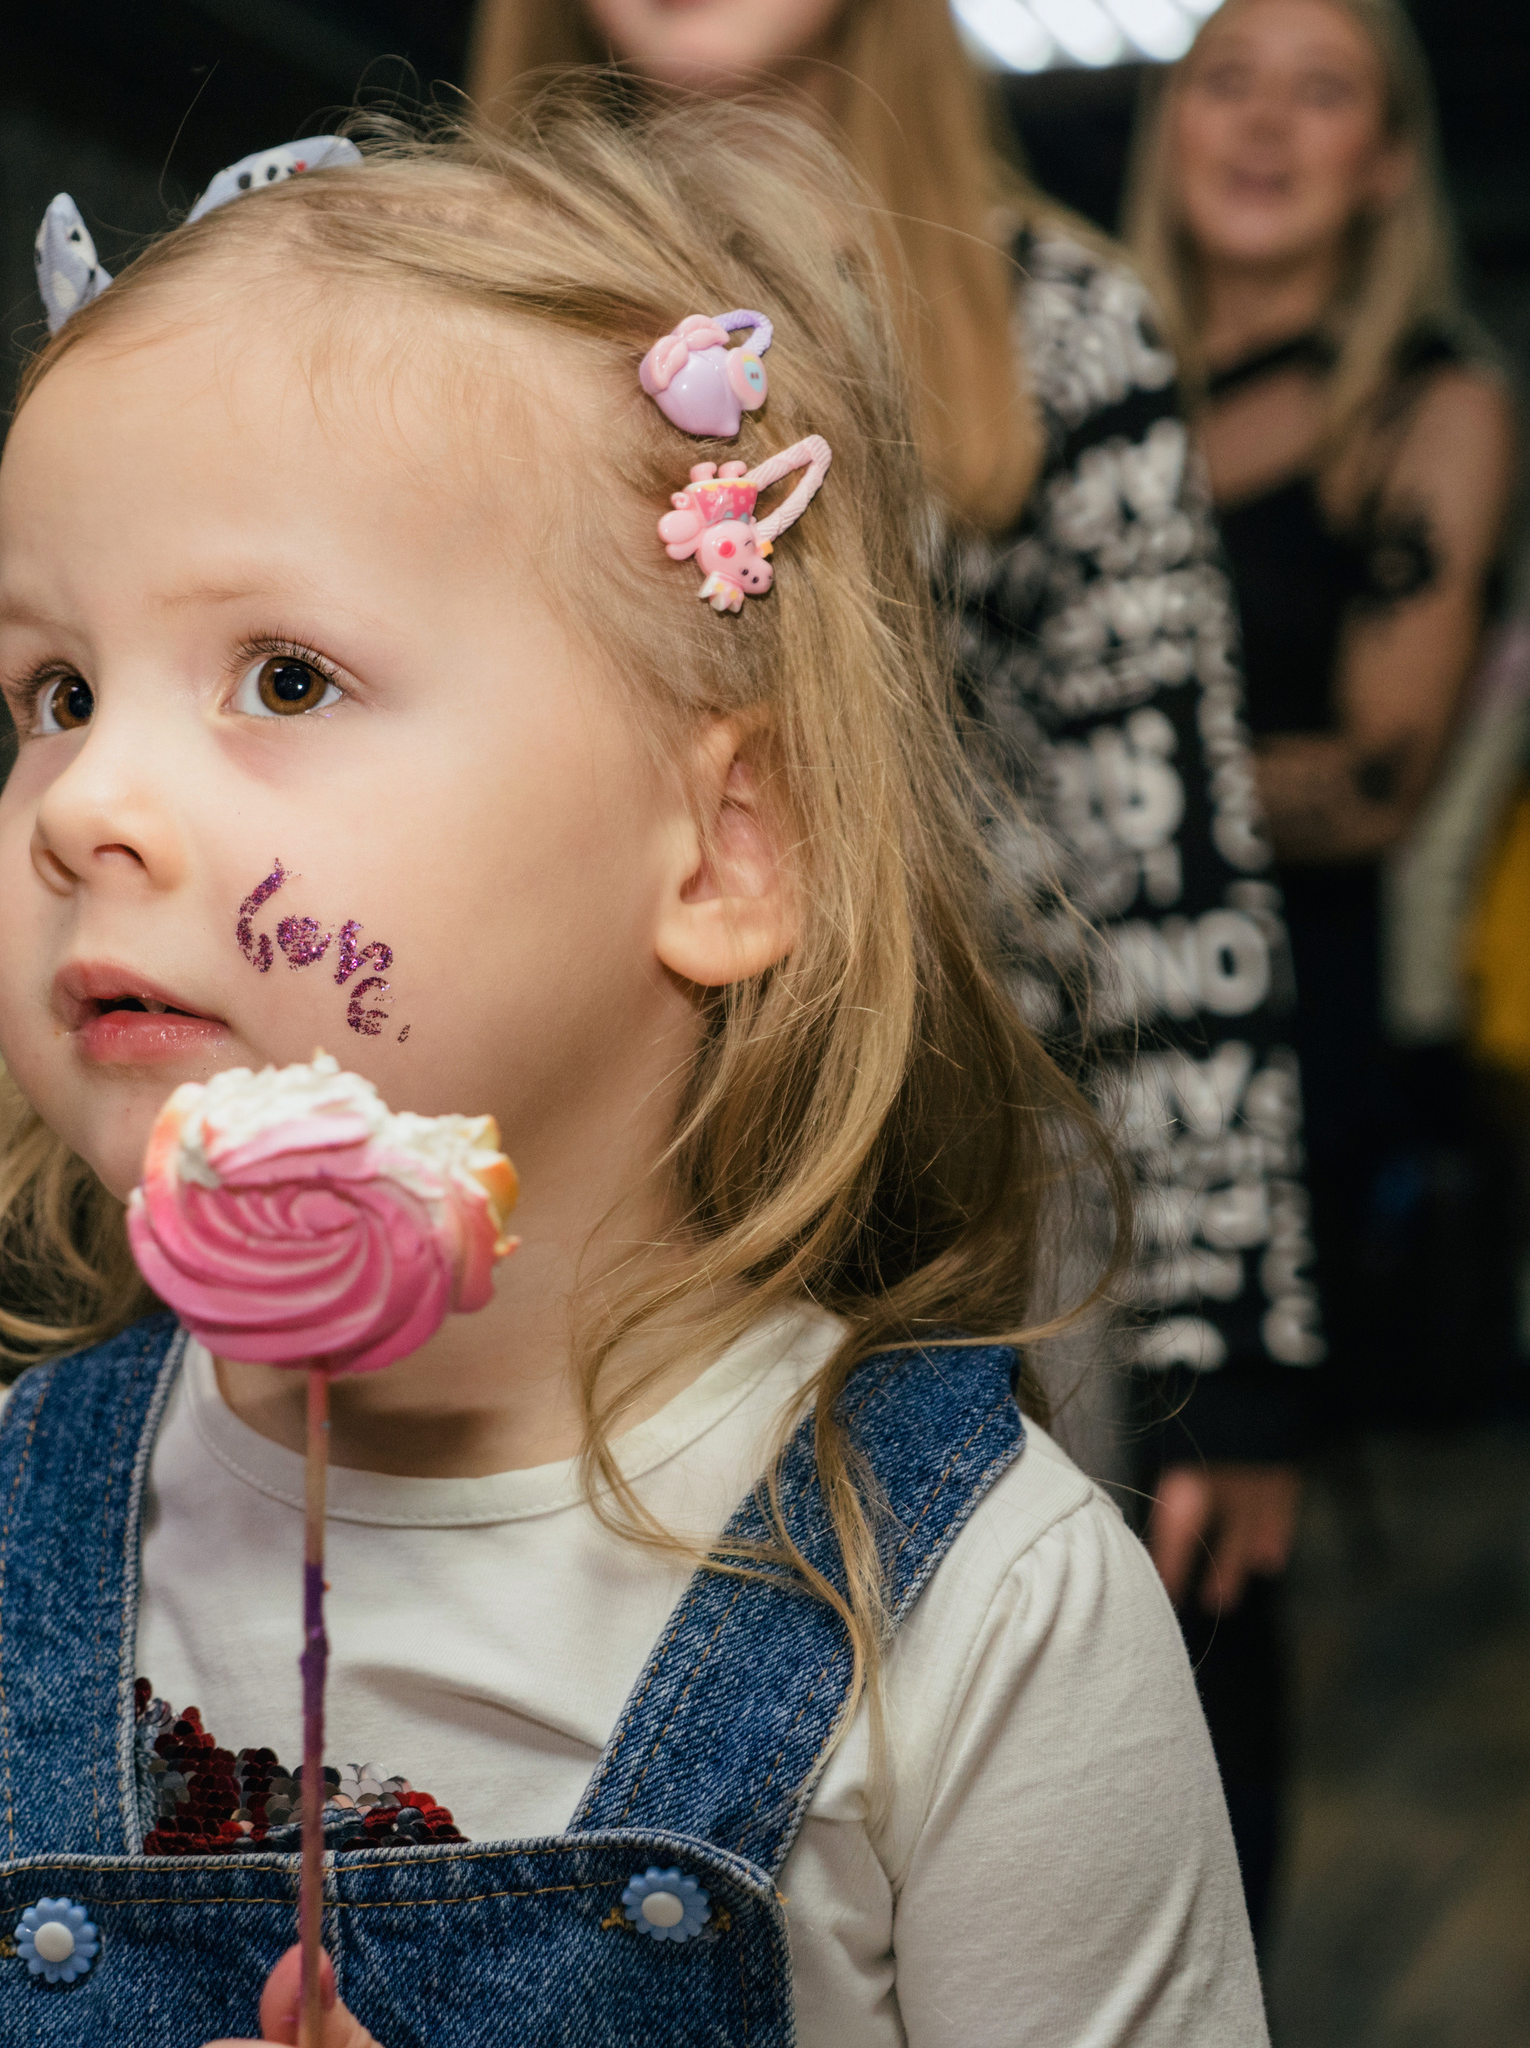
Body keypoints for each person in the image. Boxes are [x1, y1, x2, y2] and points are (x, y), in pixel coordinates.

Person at [0, 100, 1264, 2047]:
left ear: (723, 847)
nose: (83, 804)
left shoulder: (978, 1610)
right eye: (52, 690)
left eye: (282, 675)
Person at [472, 0, 1326, 1938]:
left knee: (944, 1822)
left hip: (949, 1222)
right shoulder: (441, 291)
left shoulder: (1050, 317)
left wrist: (1230, 1354)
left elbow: (1169, 860)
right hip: (551, 1212)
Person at [1127, 0, 1518, 1428]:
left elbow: (1371, 789)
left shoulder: (1429, 406)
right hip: (1067, 1023)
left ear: (1392, 161)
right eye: (1226, 80)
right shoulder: (1084, 388)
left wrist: (1072, 792)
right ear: (1172, 125)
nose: (1266, 122)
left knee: (1207, 1549)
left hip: (1284, 1049)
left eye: (1322, 91)